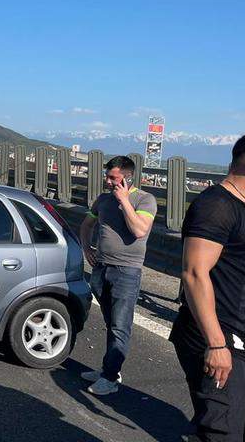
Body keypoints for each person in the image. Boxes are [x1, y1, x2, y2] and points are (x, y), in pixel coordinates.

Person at [171, 131, 245, 441]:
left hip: (238, 343)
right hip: (219, 340)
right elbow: (195, 273)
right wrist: (216, 344)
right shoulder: (216, 205)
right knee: (220, 431)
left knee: (233, 425)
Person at [79, 155, 158, 395]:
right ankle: (108, 369)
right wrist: (87, 248)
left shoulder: (144, 199)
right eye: (108, 176)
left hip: (126, 271)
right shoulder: (103, 200)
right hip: (101, 268)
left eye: (113, 177)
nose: (108, 181)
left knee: (120, 326)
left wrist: (124, 201)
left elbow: (139, 230)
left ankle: (110, 379)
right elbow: (86, 225)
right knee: (109, 322)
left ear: (128, 178)